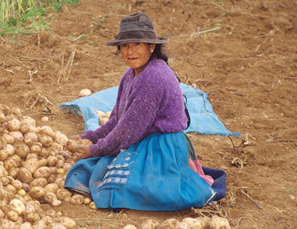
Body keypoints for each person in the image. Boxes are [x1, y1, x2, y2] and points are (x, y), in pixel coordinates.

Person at [64, 12, 217, 211]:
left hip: (162, 147)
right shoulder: (129, 76)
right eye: (125, 45)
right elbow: (117, 120)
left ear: (151, 46)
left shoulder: (153, 76)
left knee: (112, 181)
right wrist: (89, 137)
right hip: (140, 139)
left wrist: (95, 149)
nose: (130, 51)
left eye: (137, 44)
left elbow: (128, 130)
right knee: (97, 166)